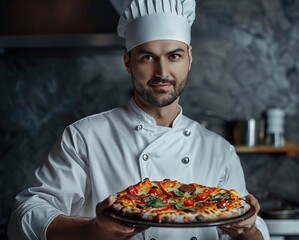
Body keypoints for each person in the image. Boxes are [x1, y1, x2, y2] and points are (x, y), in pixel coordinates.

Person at [8, 0, 270, 239]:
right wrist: (91, 231)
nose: (162, 72)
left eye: (174, 56)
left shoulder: (219, 151)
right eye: (147, 57)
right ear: (128, 62)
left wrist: (247, 231)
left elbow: (255, 233)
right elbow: (23, 219)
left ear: (189, 59)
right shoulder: (85, 137)